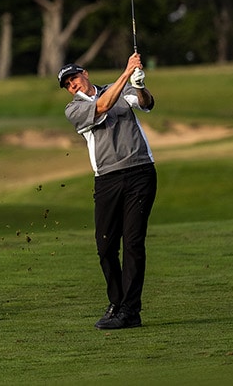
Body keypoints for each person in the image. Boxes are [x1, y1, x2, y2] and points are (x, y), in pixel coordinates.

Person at [57, 52, 156, 330]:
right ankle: (117, 302)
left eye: (74, 78)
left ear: (85, 73)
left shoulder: (120, 88)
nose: (72, 85)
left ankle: (130, 311)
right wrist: (126, 73)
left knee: (133, 243)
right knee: (106, 247)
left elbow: (145, 103)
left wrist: (139, 85)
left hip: (140, 172)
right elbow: (102, 106)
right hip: (107, 179)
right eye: (67, 84)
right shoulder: (73, 109)